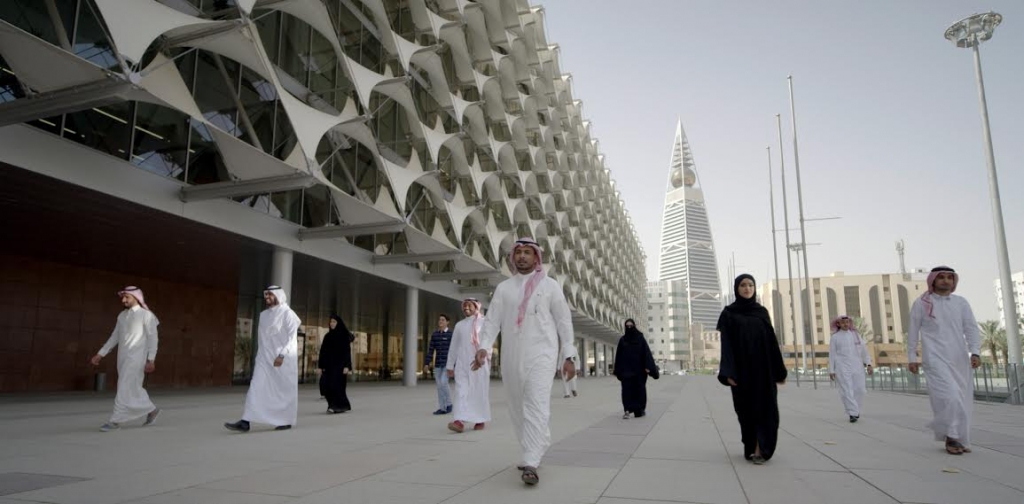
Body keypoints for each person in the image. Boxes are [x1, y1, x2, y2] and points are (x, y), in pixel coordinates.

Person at [475, 237, 577, 485]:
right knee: (517, 406)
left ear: (536, 257)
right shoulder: (504, 288)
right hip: (512, 355)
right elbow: (492, 320)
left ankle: (531, 461)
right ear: (513, 257)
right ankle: (535, 445)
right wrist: (484, 347)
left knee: (536, 403)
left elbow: (563, 321)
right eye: (518, 252)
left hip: (542, 353)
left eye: (527, 252)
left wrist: (569, 355)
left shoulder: (550, 286)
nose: (522, 256)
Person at [908, 266, 981, 455]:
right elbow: (913, 331)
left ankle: (960, 437)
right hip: (934, 358)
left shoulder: (961, 303)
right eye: (941, 277)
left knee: (962, 399)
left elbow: (971, 328)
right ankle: (952, 435)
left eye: (950, 277)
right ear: (933, 280)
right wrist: (912, 357)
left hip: (959, 358)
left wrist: (975, 352)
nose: (946, 281)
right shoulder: (922, 303)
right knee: (950, 396)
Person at [717, 274, 787, 465]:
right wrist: (728, 372)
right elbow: (726, 345)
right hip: (741, 372)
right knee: (746, 412)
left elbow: (772, 342)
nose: (747, 288)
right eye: (743, 285)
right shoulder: (729, 313)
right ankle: (751, 446)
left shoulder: (762, 312)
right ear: (736, 288)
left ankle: (761, 449)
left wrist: (779, 371)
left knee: (767, 410)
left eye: (750, 285)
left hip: (764, 371)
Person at [225, 285, 301, 432]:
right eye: (266, 294)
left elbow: (292, 338)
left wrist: (281, 355)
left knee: (282, 392)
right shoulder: (264, 315)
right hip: (264, 360)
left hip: (283, 361)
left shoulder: (288, 314)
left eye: (270, 295)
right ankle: (245, 421)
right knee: (255, 387)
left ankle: (285, 420)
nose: (267, 297)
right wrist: (260, 357)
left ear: (278, 296)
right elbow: (262, 339)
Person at [90, 286, 161, 432]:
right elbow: (114, 337)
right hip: (122, 358)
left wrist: (151, 359)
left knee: (123, 386)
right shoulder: (122, 316)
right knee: (133, 388)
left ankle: (115, 421)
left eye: (127, 297)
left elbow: (153, 339)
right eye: (122, 297)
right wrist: (100, 354)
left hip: (137, 359)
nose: (123, 300)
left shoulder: (147, 315)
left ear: (136, 298)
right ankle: (152, 410)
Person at [445, 298, 491, 433]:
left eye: (469, 305)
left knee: (478, 391)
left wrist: (484, 357)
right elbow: (454, 346)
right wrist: (450, 365)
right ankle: (459, 421)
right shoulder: (459, 325)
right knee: (461, 391)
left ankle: (480, 419)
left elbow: (489, 340)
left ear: (476, 306)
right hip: (462, 364)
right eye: (464, 306)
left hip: (479, 364)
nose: (466, 308)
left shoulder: (484, 322)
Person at [828, 315, 873, 422]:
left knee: (860, 389)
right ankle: (853, 413)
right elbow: (832, 354)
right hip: (842, 366)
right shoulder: (835, 337)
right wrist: (832, 370)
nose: (845, 324)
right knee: (846, 390)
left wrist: (869, 364)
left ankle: (855, 409)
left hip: (857, 365)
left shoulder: (856, 335)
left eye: (847, 322)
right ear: (838, 324)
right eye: (843, 322)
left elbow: (864, 351)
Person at [613, 319, 659, 418]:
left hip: (639, 372)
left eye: (631, 326)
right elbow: (619, 356)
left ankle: (639, 410)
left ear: (634, 326)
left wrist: (648, 367)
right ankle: (627, 410)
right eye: (627, 326)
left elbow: (646, 353)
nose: (629, 328)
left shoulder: (640, 338)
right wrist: (618, 370)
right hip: (626, 371)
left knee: (639, 391)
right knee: (626, 391)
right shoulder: (623, 340)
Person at [319, 314, 354, 414]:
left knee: (336, 387)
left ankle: (334, 406)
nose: (332, 323)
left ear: (338, 323)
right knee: (325, 386)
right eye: (331, 322)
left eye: (334, 322)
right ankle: (338, 405)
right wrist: (320, 366)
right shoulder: (327, 336)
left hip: (340, 367)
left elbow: (347, 352)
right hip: (328, 366)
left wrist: (347, 366)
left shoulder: (343, 336)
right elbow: (322, 352)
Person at [424, 314, 453, 415]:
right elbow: (431, 350)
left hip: (447, 364)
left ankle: (449, 404)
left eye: (443, 320)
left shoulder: (451, 334)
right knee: (439, 386)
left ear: (447, 322)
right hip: (437, 365)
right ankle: (442, 408)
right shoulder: (435, 335)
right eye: (439, 320)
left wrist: (454, 364)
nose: (440, 321)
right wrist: (427, 363)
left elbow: (454, 350)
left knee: (443, 383)